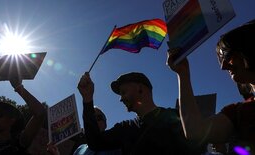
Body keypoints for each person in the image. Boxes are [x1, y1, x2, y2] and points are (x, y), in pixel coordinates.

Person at [167, 19, 255, 155]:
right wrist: (183, 74)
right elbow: (195, 131)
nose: (223, 66)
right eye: (221, 60)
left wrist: (231, 147)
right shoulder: (239, 112)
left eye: (228, 56)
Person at [77, 72, 204, 155]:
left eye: (124, 92)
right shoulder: (125, 128)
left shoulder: (176, 117)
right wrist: (87, 99)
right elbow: (95, 142)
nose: (121, 99)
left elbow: (199, 144)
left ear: (140, 89)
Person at [46, 107, 121, 155]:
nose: (93, 121)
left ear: (105, 124)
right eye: (90, 118)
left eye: (98, 117)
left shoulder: (116, 148)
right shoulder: (80, 148)